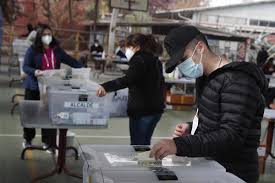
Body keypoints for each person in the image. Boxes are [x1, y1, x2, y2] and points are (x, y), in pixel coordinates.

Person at [150, 26, 267, 183]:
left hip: (233, 173)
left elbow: (231, 136)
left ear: (200, 48)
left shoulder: (237, 82)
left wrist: (179, 145)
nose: (181, 66)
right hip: (213, 167)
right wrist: (192, 127)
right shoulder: (207, 78)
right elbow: (217, 119)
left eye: (183, 59)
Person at [96, 33, 165, 145]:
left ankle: (142, 162)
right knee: (143, 144)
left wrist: (106, 86)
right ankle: (143, 161)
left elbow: (128, 80)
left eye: (128, 47)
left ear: (136, 47)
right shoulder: (154, 60)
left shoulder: (139, 60)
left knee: (138, 145)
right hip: (155, 109)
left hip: (143, 111)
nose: (126, 50)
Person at [23, 24, 83, 148]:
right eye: (45, 35)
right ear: (39, 36)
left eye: (49, 34)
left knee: (48, 115)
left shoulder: (56, 50)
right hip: (34, 86)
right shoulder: (32, 50)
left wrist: (82, 68)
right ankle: (28, 139)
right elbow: (26, 67)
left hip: (51, 88)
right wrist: (35, 71)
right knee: (31, 114)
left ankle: (48, 142)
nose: (47, 37)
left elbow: (69, 60)